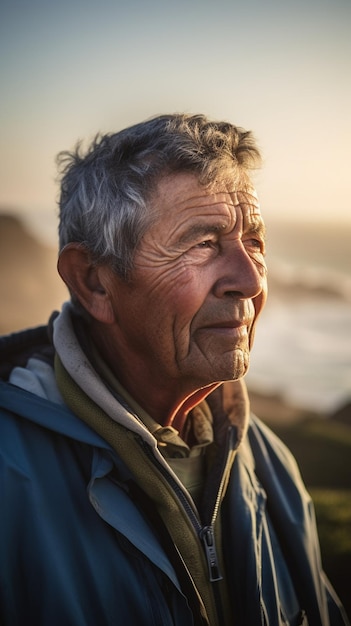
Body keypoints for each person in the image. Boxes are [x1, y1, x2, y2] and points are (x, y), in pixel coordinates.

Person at [0, 114, 348, 626]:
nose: (250, 280)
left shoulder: (268, 464)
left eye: (254, 242)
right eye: (202, 243)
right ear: (94, 282)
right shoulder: (10, 480)